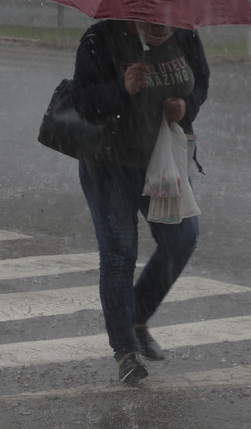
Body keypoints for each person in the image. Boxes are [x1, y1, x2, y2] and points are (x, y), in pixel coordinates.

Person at [70, 19, 209, 385]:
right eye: (154, 23)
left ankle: (136, 313)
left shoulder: (187, 34)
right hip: (109, 165)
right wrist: (122, 89)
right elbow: (81, 101)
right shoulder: (100, 38)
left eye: (168, 21)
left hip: (162, 162)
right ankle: (126, 351)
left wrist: (185, 106)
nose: (163, 27)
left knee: (182, 237)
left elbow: (201, 83)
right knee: (119, 255)